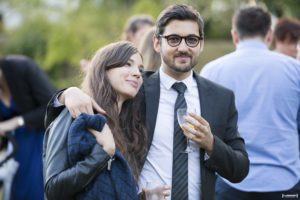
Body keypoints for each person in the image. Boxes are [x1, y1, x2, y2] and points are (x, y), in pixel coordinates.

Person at [45, 4, 249, 200]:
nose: (183, 47)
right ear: (157, 43)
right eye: (174, 39)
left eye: (192, 40)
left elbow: (240, 169)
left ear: (201, 44)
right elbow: (99, 92)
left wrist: (211, 144)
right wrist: (67, 94)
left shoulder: (221, 98)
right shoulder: (136, 88)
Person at [43, 41, 165, 200]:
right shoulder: (76, 112)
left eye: (140, 70)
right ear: (103, 69)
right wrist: (102, 153)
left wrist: (142, 197)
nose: (137, 73)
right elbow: (52, 189)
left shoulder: (129, 129)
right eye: (127, 64)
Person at [201, 6, 300, 200]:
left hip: (229, 181)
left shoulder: (211, 72)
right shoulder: (295, 70)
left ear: (234, 35)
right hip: (285, 180)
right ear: (269, 35)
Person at [0, 55, 55, 200]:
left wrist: (16, 122)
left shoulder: (22, 67)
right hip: (15, 147)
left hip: (39, 139)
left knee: (36, 189)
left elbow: (52, 105)